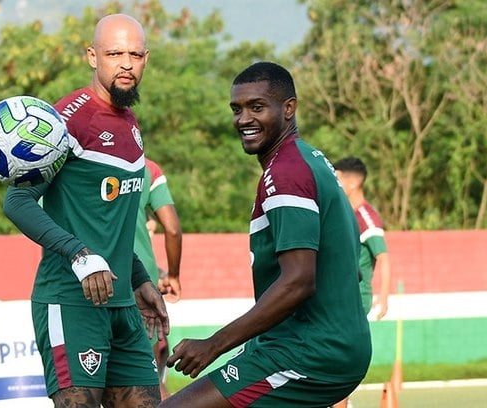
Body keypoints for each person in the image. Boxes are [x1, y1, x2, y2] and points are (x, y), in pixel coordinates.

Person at [159, 61, 372, 408]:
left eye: (257, 107)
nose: (243, 119)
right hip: (317, 345)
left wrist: (212, 345)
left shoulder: (287, 173)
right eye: (237, 109)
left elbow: (300, 280)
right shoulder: (310, 160)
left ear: (289, 109)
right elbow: (349, 265)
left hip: (309, 353)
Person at [2, 13, 169, 408]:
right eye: (114, 53)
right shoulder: (64, 121)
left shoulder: (130, 121)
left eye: (135, 54)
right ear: (93, 56)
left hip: (123, 304)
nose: (126, 63)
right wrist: (79, 254)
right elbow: (18, 200)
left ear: (146, 58)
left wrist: (141, 279)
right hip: (70, 302)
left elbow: (107, 225)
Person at [331, 157, 392, 408]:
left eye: (338, 178)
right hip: (340, 299)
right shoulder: (346, 214)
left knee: (337, 361)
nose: (334, 183)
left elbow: (383, 257)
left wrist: (384, 296)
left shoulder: (365, 215)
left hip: (355, 300)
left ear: (353, 181)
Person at [133, 157, 182, 399]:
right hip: (144, 289)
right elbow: (172, 229)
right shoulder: (147, 168)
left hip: (87, 285)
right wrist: (172, 275)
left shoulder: (67, 162)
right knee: (149, 383)